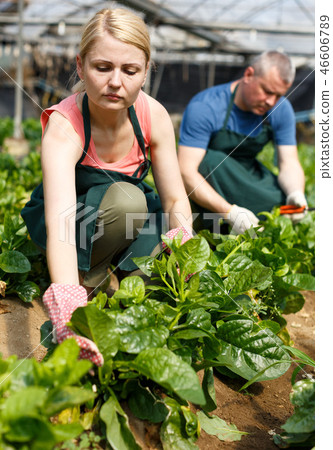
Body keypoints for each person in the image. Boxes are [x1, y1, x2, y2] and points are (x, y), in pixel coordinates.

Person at [21, 8, 192, 365]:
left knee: (164, 263)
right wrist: (67, 308)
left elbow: (175, 197)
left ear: (145, 72)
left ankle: (116, 275)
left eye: (130, 71)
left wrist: (185, 255)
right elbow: (63, 221)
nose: (116, 82)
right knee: (129, 200)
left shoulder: (153, 116)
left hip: (126, 223)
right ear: (81, 67)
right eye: (103, 68)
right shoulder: (65, 125)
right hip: (78, 225)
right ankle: (88, 277)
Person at [177, 50, 307, 235]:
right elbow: (185, 171)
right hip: (212, 177)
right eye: (267, 91)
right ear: (248, 75)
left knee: (287, 199)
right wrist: (229, 212)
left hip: (247, 175)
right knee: (211, 162)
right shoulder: (206, 106)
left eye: (278, 95)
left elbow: (289, 163)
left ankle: (260, 221)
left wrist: (296, 193)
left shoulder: (281, 108)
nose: (271, 101)